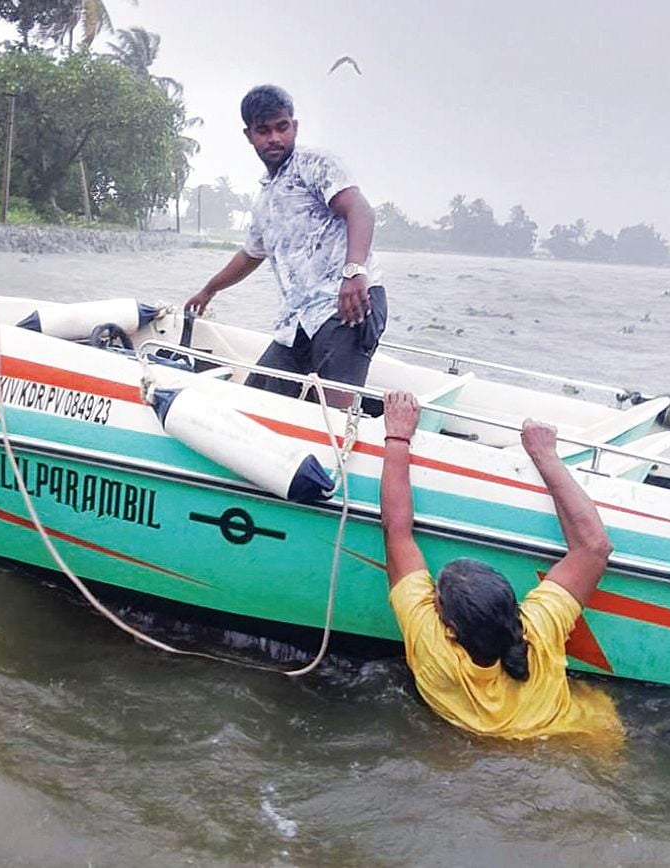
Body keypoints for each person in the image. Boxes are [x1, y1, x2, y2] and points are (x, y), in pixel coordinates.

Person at [380, 391, 623, 743]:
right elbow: (595, 548)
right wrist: (545, 455)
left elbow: (396, 532)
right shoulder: (538, 632)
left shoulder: (432, 647)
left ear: (449, 630)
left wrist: (397, 435)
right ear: (514, 608)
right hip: (585, 736)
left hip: (492, 747)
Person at [185, 84, 387, 402]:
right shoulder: (266, 196)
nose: (275, 138)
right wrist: (209, 290)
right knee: (254, 401)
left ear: (294, 126)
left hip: (348, 304)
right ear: (249, 135)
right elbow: (250, 254)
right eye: (263, 130)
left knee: (332, 412)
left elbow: (359, 208)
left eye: (282, 127)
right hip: (298, 321)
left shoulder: (315, 165)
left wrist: (353, 270)